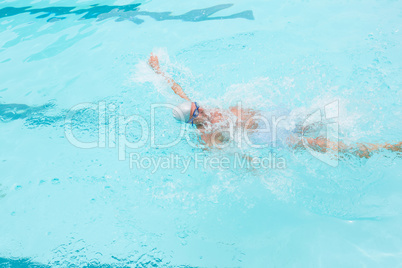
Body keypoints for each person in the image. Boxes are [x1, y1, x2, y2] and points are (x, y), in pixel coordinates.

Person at [148, 53, 401, 158]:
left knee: (323, 117)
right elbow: (229, 155)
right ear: (193, 120)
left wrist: (158, 70)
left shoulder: (200, 109)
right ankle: (384, 148)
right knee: (320, 145)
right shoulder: (207, 135)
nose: (202, 108)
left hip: (275, 116)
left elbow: (177, 89)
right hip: (270, 136)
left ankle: (360, 135)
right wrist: (255, 167)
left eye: (198, 105)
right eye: (197, 111)